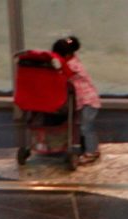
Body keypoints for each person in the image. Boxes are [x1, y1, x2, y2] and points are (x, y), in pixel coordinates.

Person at [51, 36, 102, 164]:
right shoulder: (73, 60)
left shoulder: (72, 65)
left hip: (89, 101)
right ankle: (92, 148)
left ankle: (91, 152)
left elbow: (65, 75)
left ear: (66, 55)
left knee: (86, 127)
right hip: (86, 100)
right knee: (86, 126)